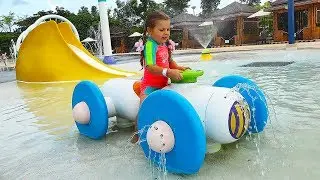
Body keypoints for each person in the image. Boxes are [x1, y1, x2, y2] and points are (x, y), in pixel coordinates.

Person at [131, 11, 190, 143]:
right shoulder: (150, 45)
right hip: (149, 88)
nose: (166, 33)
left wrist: (178, 67)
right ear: (150, 30)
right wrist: (168, 72)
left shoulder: (164, 45)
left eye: (168, 29)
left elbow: (169, 61)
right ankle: (137, 134)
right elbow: (150, 67)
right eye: (161, 29)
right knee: (143, 111)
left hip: (163, 86)